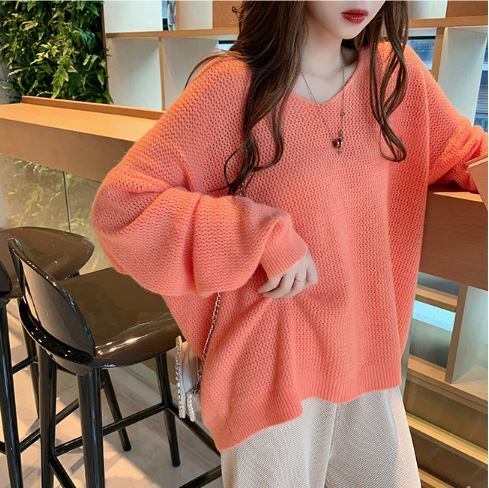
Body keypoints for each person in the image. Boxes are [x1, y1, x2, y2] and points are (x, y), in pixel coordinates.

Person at [90, 2, 487, 487]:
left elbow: (467, 153)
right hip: (270, 376)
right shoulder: (230, 87)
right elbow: (121, 209)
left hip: (369, 361)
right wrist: (256, 235)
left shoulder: (395, 79)